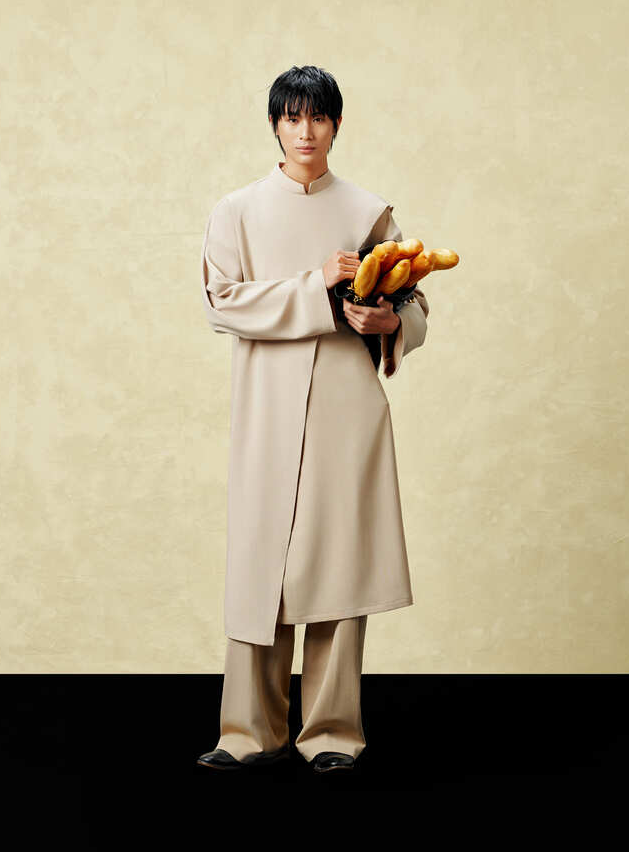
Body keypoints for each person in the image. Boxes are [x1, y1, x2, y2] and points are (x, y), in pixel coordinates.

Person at [197, 65, 430, 774]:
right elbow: (222, 302)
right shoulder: (236, 211)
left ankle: (331, 732)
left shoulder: (369, 212)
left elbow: (414, 302)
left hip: (345, 407)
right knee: (259, 563)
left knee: (338, 562)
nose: (306, 131)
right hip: (267, 405)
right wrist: (317, 284)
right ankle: (248, 730)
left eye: (318, 118)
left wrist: (389, 322)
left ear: (336, 125)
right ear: (275, 125)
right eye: (293, 117)